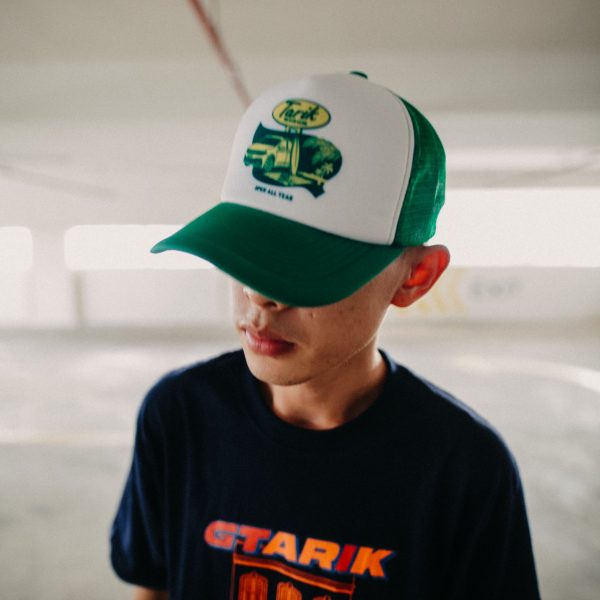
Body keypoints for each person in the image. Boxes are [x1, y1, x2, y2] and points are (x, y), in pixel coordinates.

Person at [110, 72, 541, 599]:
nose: (258, 293)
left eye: (303, 265)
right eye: (243, 252)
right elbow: (152, 585)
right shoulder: (179, 415)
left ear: (415, 277)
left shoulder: (463, 468)